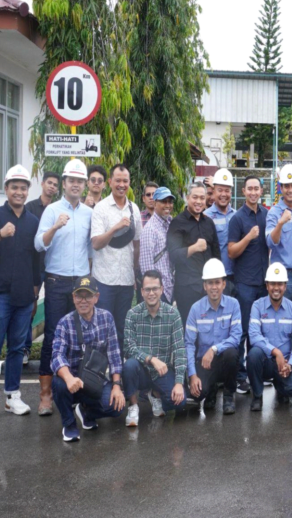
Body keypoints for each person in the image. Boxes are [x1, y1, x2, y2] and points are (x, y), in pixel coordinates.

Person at [0, 165, 42, 423]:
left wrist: (36, 292)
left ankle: (12, 396)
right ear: (6, 189)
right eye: (14, 187)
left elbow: (36, 260)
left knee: (16, 349)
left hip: (24, 297)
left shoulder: (33, 221)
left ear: (27, 191)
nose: (19, 192)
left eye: (23, 188)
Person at [34, 159, 93, 415]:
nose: (76, 184)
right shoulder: (52, 210)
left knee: (81, 338)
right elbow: (38, 244)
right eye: (72, 180)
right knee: (53, 336)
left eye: (80, 181)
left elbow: (91, 251)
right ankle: (45, 395)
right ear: (64, 183)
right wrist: (56, 226)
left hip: (80, 283)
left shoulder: (90, 213)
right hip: (56, 281)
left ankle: (76, 392)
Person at [46, 277, 127, 441]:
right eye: (79, 296)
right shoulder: (65, 323)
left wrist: (117, 386)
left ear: (96, 297)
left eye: (88, 296)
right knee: (58, 383)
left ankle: (86, 412)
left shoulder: (107, 318)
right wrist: (69, 378)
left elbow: (114, 355)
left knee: (117, 407)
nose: (83, 301)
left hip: (95, 382)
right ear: (73, 298)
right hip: (72, 383)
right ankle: (69, 423)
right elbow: (56, 356)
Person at [122, 271, 186, 425]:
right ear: (142, 291)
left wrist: (179, 383)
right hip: (141, 370)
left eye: (155, 289)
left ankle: (155, 394)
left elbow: (180, 350)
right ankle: (133, 405)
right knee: (129, 365)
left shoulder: (173, 314)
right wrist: (150, 359)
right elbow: (128, 347)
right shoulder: (132, 314)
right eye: (148, 289)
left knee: (179, 403)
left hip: (162, 371)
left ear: (162, 289)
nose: (151, 293)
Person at [226, 175, 270, 395]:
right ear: (244, 191)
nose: (253, 192)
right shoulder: (237, 219)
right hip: (244, 283)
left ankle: (256, 373)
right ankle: (240, 377)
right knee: (243, 331)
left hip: (264, 284)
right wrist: (249, 237)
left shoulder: (267, 215)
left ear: (261, 191)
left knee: (259, 331)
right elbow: (231, 251)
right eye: (249, 188)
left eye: (257, 188)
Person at [245, 264, 292, 412]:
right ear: (267, 285)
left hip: (285, 362)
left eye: (280, 283)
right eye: (272, 283)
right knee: (253, 355)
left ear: (285, 286)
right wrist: (275, 352)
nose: (276, 288)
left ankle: (281, 387)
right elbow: (254, 336)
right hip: (265, 361)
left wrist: (290, 364)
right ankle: (257, 395)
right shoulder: (257, 306)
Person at [185, 259, 243, 414]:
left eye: (217, 282)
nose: (214, 287)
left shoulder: (233, 305)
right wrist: (192, 375)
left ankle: (229, 396)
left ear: (224, 284)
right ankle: (210, 391)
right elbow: (189, 344)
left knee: (231, 353)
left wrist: (214, 349)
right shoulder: (196, 309)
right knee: (196, 395)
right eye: (210, 283)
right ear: (204, 286)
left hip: (224, 360)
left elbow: (236, 337)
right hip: (205, 364)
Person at [90, 165, 140, 323]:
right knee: (103, 326)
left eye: (125, 181)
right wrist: (115, 228)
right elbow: (96, 244)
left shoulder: (135, 209)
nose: (122, 184)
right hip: (104, 281)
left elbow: (137, 245)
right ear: (110, 182)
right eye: (118, 180)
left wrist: (134, 273)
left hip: (126, 280)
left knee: (122, 328)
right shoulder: (101, 209)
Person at [167, 183, 221, 318]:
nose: (198, 202)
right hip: (187, 288)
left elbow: (216, 255)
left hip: (208, 287)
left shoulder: (209, 223)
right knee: (189, 328)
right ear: (187, 198)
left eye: (202, 198)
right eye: (195, 197)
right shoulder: (177, 223)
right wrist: (194, 248)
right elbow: (173, 255)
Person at [266, 164, 292, 306]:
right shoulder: (274, 212)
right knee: (283, 315)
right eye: (286, 186)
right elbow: (271, 243)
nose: (290, 190)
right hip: (284, 275)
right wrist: (280, 223)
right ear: (281, 188)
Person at [204, 169, 238, 293]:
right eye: (220, 190)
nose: (223, 194)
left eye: (227, 190)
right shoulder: (205, 216)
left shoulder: (237, 216)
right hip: (215, 278)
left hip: (236, 276)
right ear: (213, 191)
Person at [139, 187, 176, 291]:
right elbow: (147, 267)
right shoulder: (150, 230)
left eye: (170, 202)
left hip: (170, 287)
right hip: (158, 290)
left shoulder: (170, 223)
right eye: (164, 201)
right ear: (155, 204)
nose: (168, 205)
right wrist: (154, 290)